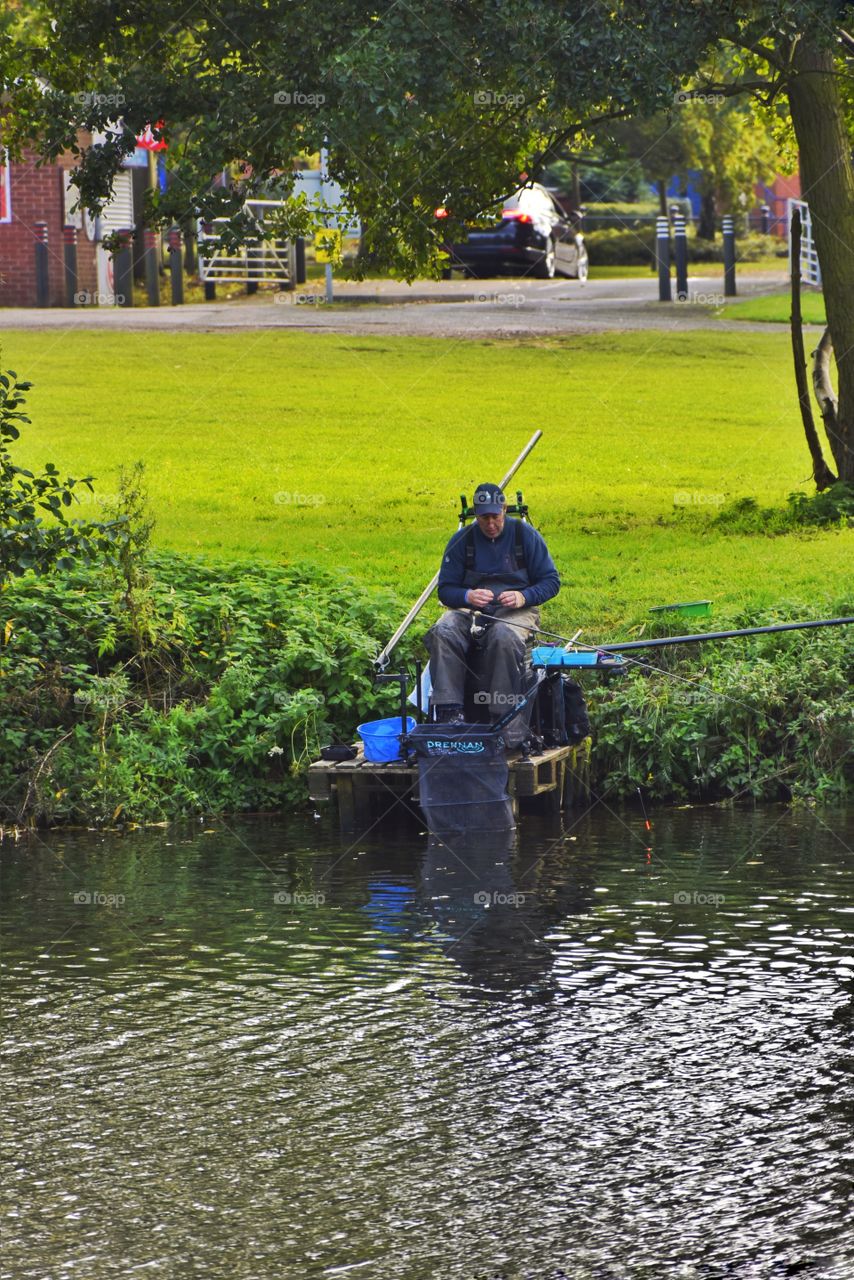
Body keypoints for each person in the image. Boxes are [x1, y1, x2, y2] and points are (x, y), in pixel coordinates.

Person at [425, 482, 560, 743]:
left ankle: (504, 719)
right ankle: (449, 712)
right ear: (475, 514)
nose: (490, 524)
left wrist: (524, 596)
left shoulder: (525, 535)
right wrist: (467, 596)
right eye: (483, 517)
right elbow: (445, 590)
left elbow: (551, 581)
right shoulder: (461, 540)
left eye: (495, 517)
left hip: (517, 610)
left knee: (503, 636)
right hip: (471, 610)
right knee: (443, 631)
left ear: (505, 510)